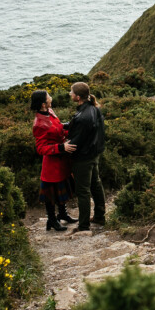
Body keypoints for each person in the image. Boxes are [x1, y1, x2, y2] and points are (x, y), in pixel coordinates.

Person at [29, 90, 76, 231]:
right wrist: (61, 147)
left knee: (62, 187)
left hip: (62, 160)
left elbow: (58, 127)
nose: (51, 97)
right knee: (52, 193)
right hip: (52, 164)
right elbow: (41, 148)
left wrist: (69, 127)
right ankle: (51, 220)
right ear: (43, 103)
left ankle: (63, 214)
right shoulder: (39, 123)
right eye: (48, 96)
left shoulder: (50, 111)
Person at [63, 81, 107, 232]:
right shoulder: (94, 108)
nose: (70, 94)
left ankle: (83, 226)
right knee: (96, 184)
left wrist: (62, 147)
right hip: (94, 153)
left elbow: (75, 141)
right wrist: (62, 125)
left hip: (83, 157)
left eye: (71, 92)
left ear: (78, 97)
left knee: (83, 191)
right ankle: (100, 217)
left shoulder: (83, 116)